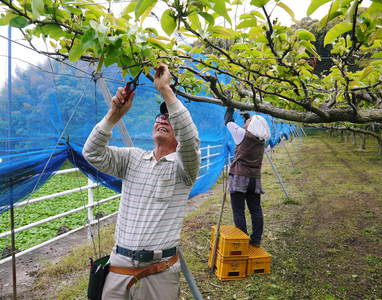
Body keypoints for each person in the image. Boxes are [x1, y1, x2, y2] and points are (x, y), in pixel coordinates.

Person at [83, 63, 200, 300]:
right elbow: (92, 153)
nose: (163, 119)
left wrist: (166, 91)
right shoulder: (132, 158)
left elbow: (190, 139)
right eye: (160, 116)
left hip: (159, 271)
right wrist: (114, 115)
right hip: (118, 267)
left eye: (170, 117)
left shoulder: (184, 168)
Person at [224, 108, 270, 247]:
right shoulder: (261, 140)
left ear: (251, 125)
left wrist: (229, 106)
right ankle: (255, 240)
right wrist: (246, 116)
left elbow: (228, 121)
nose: (246, 123)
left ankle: (242, 240)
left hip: (239, 177)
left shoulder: (242, 135)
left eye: (248, 122)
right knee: (255, 209)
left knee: (239, 210)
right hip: (254, 179)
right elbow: (248, 127)